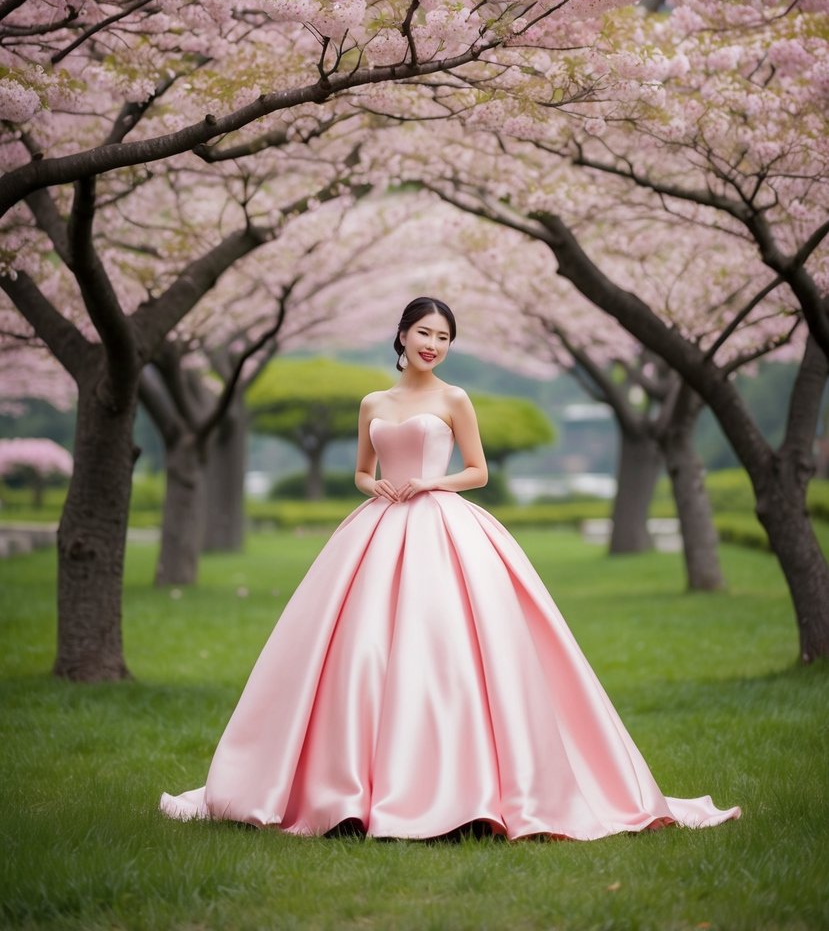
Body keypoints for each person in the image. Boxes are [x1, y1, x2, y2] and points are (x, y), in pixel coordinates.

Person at [160, 296, 740, 839]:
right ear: (402, 337)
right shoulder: (373, 404)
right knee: (360, 649)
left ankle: (464, 792)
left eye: (443, 337)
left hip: (442, 522)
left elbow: (478, 471)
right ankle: (347, 790)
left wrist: (431, 482)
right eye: (424, 334)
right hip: (379, 526)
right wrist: (376, 484)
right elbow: (362, 471)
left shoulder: (455, 399)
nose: (433, 344)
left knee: (449, 643)